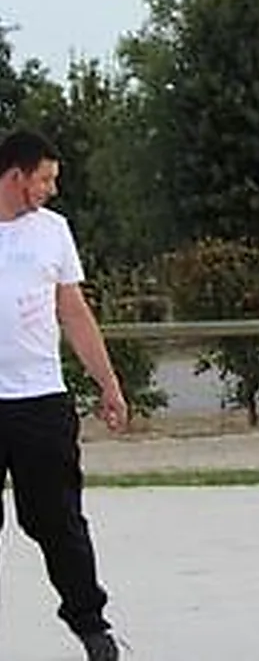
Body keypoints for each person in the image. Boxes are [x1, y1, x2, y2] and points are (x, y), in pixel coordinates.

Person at [0, 129, 127, 661]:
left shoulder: (53, 232)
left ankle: (91, 625)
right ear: (15, 176)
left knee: (58, 521)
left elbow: (72, 311)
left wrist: (108, 382)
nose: (52, 188)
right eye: (46, 179)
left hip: (41, 402)